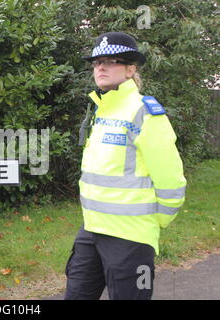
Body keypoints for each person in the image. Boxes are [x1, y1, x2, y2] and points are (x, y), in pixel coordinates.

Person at [64, 32, 187, 300]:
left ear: (131, 68)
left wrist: (156, 222)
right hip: (92, 229)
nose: (101, 68)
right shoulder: (102, 108)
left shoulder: (144, 111)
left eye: (111, 61)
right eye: (97, 62)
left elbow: (170, 177)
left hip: (131, 236)